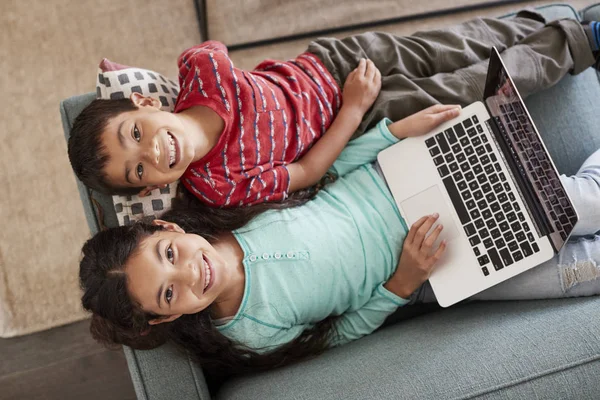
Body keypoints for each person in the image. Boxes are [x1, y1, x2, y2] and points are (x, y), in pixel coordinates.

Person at [79, 104, 600, 383]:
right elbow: (340, 331)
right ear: (168, 318)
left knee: (580, 204)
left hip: (400, 179)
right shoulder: (249, 334)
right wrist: (403, 282)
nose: (191, 275)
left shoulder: (227, 208)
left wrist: (392, 133)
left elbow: (323, 177)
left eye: (169, 256)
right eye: (170, 294)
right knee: (583, 275)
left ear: (170, 230)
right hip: (428, 270)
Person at [68, 10, 600, 209]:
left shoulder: (199, 70)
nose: (152, 151)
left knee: (457, 42)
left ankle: (571, 23)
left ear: (144, 103)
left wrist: (121, 78)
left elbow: (224, 64)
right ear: (149, 188)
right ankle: (582, 43)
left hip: (337, 60)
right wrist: (352, 109)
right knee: (472, 86)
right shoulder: (217, 185)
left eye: (135, 131)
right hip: (360, 118)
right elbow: (304, 171)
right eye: (138, 167)